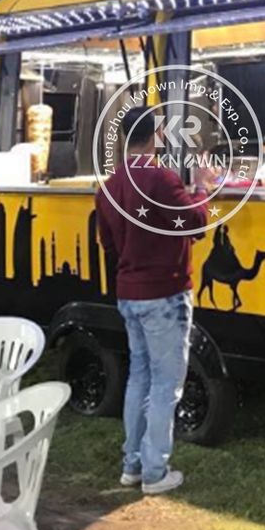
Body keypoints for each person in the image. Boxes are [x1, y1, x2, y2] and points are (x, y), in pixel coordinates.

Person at [95, 106, 211, 494]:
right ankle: (155, 473)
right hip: (165, 295)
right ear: (157, 135)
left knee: (139, 378)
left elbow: (107, 244)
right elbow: (196, 222)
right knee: (165, 385)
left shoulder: (109, 187)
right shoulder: (161, 178)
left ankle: (132, 465)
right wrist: (203, 189)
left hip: (129, 293)